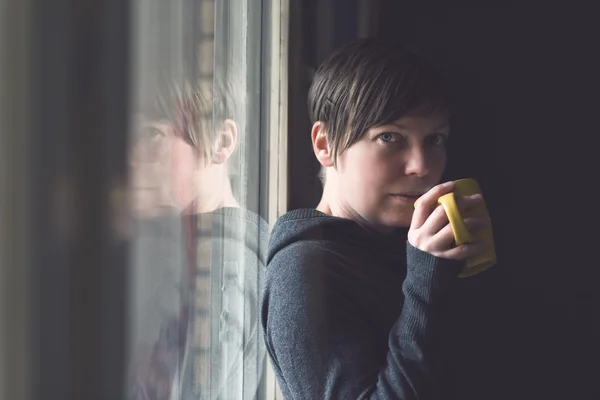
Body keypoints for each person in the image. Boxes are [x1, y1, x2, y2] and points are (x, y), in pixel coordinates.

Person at [261, 38, 490, 399]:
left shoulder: (408, 246)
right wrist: (427, 283)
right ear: (324, 144)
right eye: (390, 137)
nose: (421, 166)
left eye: (435, 140)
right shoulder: (304, 272)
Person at [127, 78, 267, 400]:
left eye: (151, 134)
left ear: (222, 140)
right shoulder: (198, 245)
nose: (132, 157)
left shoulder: (217, 262)